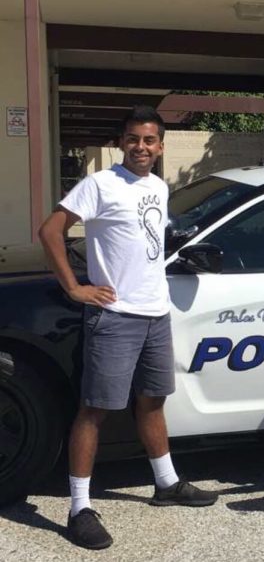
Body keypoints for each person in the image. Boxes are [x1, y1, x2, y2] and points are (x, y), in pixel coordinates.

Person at [39, 106, 217, 550]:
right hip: (115, 317)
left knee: (152, 402)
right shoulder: (100, 183)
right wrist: (76, 287)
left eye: (150, 140)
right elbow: (50, 231)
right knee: (95, 409)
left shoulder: (158, 185)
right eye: (134, 139)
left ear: (160, 146)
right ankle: (80, 507)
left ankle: (167, 483)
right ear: (122, 142)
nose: (142, 147)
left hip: (156, 313)